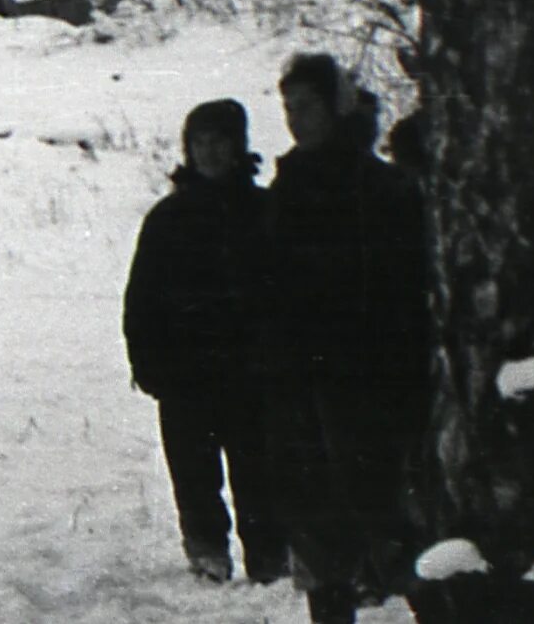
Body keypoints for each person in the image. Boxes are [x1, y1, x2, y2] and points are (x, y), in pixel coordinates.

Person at [262, 54, 427, 624]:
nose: (295, 119)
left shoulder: (380, 187)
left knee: (400, 540)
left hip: (372, 390)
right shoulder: (285, 189)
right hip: (305, 396)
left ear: (336, 108)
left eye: (306, 106)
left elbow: (406, 294)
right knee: (321, 544)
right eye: (287, 108)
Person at [123, 98, 283, 585]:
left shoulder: (266, 212)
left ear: (239, 147)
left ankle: (271, 557)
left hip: (252, 375)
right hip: (185, 377)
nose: (210, 152)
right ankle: (207, 552)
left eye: (220, 141)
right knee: (194, 478)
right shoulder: (167, 219)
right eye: (200, 143)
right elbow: (142, 301)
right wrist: (149, 366)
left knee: (259, 475)